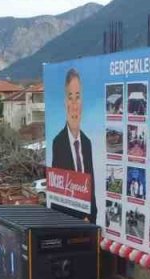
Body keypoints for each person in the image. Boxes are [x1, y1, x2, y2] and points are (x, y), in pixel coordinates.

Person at [50, 68, 97, 224]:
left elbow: (91, 189)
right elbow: (59, 196)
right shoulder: (58, 143)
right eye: (71, 98)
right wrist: (79, 219)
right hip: (69, 224)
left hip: (89, 224)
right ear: (65, 103)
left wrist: (90, 219)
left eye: (78, 97)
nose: (75, 105)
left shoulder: (87, 143)